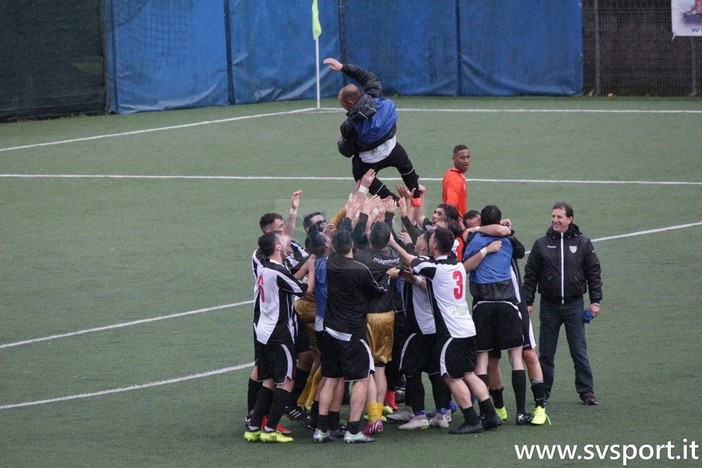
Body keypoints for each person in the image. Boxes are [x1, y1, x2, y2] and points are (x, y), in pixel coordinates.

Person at [392, 227, 500, 434]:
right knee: (469, 373)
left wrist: (392, 243)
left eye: (431, 238)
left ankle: (472, 419)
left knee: (451, 377)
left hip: (451, 333)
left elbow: (410, 260)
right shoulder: (458, 266)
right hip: (467, 328)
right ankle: (490, 414)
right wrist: (414, 279)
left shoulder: (435, 268)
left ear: (434, 245)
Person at [313, 229, 400, 443]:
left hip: (331, 329)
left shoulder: (331, 263)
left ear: (333, 247)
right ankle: (353, 430)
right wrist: (388, 277)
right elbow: (378, 290)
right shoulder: (360, 270)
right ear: (352, 245)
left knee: (331, 379)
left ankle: (321, 429)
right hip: (352, 333)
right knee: (362, 379)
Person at [522, 202, 603, 405]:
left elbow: (594, 273)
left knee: (578, 350)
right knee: (546, 353)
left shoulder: (583, 243)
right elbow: (530, 275)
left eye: (559, 217)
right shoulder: (541, 244)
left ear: (570, 219)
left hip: (575, 305)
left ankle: (586, 392)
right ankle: (544, 393)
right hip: (549, 306)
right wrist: (528, 301)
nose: (555, 220)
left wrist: (595, 302)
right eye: (553, 217)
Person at [244, 231, 314, 443]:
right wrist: (311, 269)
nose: (288, 242)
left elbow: (288, 278)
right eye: (283, 241)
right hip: (279, 333)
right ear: (276, 247)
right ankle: (270, 428)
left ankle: (255, 425)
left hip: (264, 331)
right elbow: (304, 291)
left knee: (269, 380)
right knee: (286, 382)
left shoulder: (265, 267)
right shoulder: (277, 271)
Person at [463, 205, 529, 425]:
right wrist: (508, 230)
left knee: (481, 362)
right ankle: (520, 412)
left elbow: (465, 267)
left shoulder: (474, 241)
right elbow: (520, 251)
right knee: (516, 359)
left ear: (481, 220)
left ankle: (486, 411)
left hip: (482, 306)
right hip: (507, 305)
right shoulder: (507, 242)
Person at [323, 58, 420, 204]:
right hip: (392, 148)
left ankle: (394, 201)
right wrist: (342, 67)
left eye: (342, 103)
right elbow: (364, 75)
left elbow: (347, 151)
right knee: (406, 166)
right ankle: (416, 195)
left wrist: (341, 142)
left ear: (349, 103)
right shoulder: (375, 92)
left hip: (370, 160)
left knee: (359, 174)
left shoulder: (349, 126)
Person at [442, 144, 471, 217]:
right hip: (456, 224)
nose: (466, 161)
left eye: (468, 157)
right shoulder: (453, 179)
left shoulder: (455, 173)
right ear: (454, 158)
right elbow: (451, 207)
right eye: (462, 158)